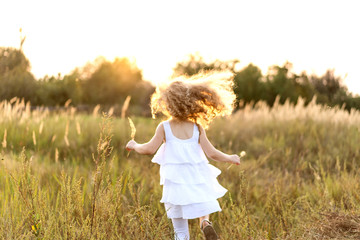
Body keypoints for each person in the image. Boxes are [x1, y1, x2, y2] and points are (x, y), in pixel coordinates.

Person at [126, 70, 241, 240]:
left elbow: (149, 149)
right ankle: (204, 223)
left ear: (168, 103)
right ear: (190, 102)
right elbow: (212, 153)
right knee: (203, 207)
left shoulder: (164, 127)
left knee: (180, 231)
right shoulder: (197, 127)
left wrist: (135, 145)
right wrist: (230, 157)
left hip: (175, 184)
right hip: (197, 178)